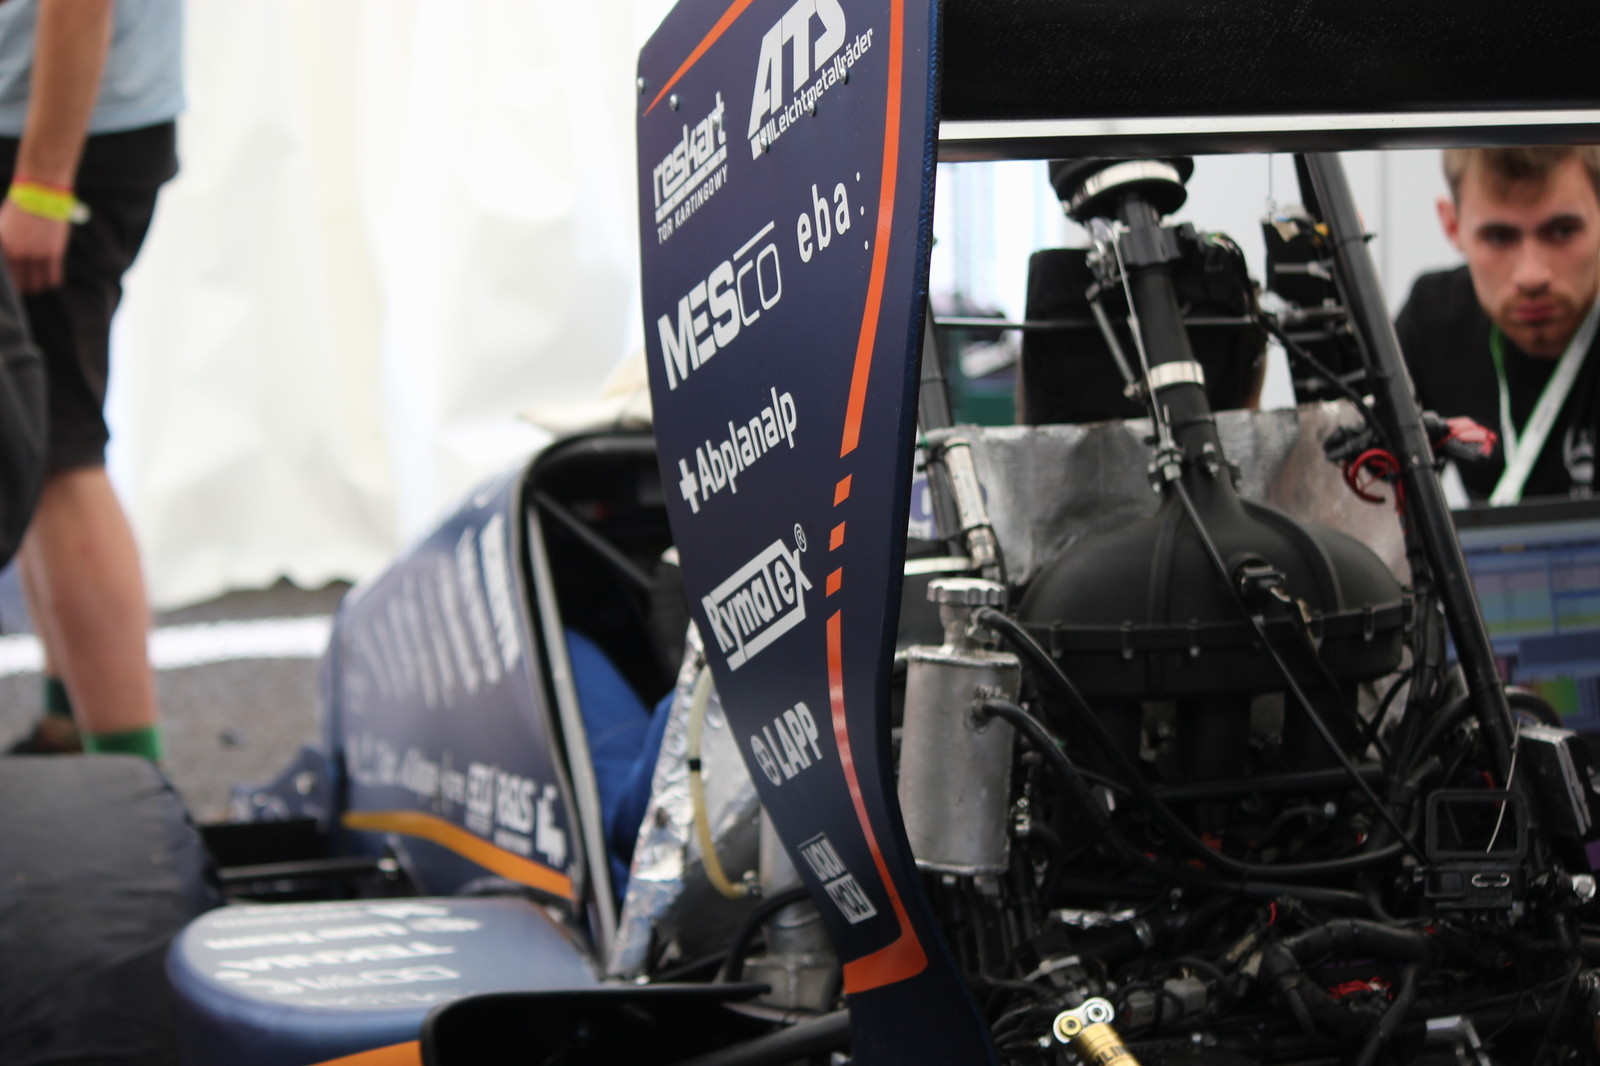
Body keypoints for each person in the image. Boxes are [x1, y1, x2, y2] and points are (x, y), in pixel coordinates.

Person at [1, 0, 183, 760]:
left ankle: (137, 790)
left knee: (60, 450)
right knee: (36, 440)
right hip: (52, 127)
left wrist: (43, 182)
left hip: (53, 142)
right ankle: (69, 733)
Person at [1396, 146, 1600, 504]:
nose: (1531, 276)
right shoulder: (1434, 321)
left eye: (1562, 231)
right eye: (1499, 237)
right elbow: (1369, 502)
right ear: (1452, 225)